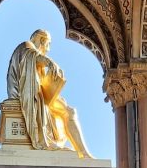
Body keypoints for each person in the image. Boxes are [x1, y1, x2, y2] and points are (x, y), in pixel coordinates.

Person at [6, 29, 93, 158]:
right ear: (42, 41)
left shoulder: (34, 57)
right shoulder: (26, 46)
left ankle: (84, 153)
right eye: (48, 44)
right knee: (68, 111)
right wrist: (49, 62)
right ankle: (82, 153)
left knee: (69, 111)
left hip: (37, 95)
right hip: (27, 95)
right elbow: (31, 55)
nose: (48, 49)